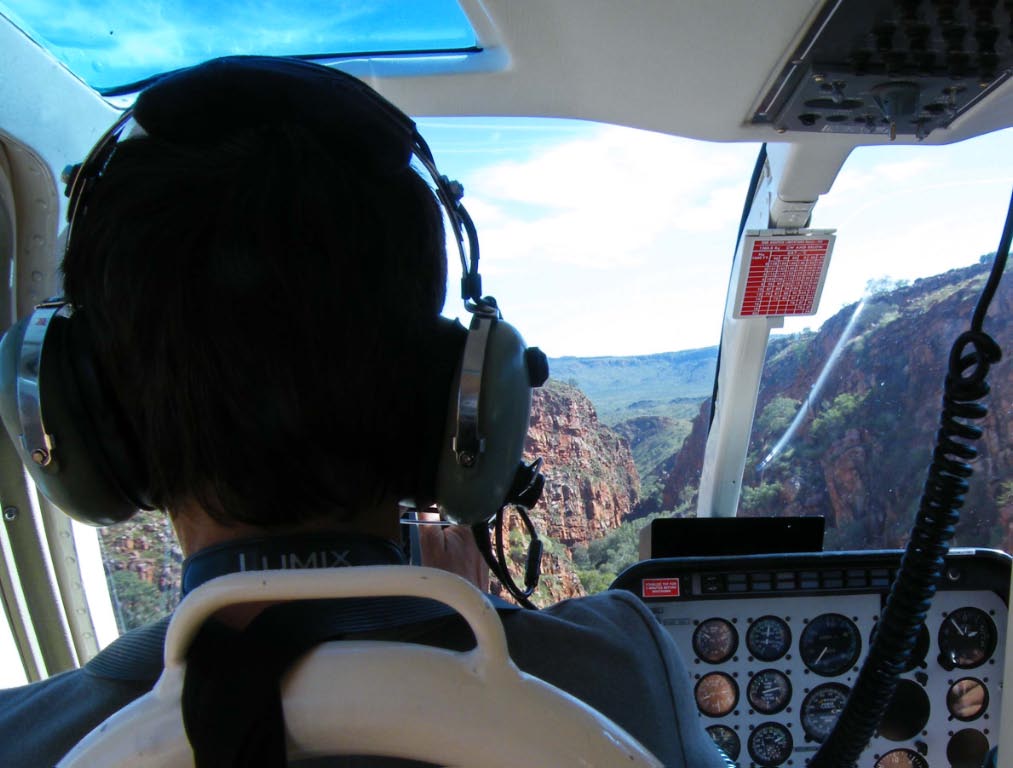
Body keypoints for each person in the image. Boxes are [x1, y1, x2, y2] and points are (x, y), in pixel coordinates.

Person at [0, 56, 727, 767]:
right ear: (458, 403)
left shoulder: (20, 737)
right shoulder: (623, 670)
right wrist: (465, 617)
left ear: (77, 415)